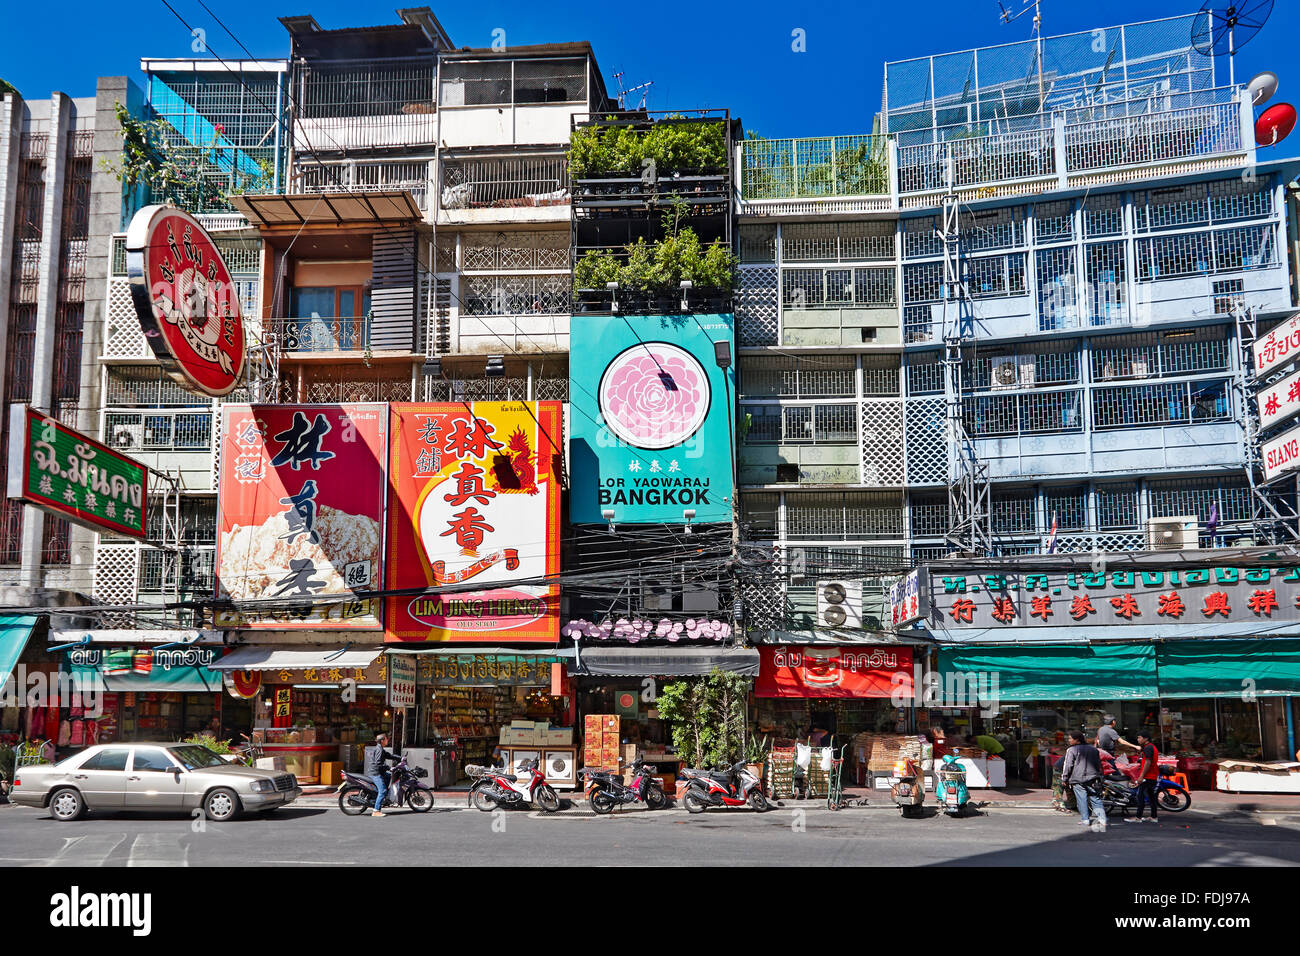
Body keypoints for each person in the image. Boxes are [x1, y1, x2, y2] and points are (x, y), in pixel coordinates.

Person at [1058, 730, 1107, 832]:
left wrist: (1064, 778)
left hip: (1078, 778)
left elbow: (1068, 765)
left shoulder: (1072, 750)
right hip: (1093, 778)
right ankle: (1102, 819)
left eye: (1070, 738)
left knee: (1081, 799)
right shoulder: (1093, 749)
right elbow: (1098, 764)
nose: (1069, 740)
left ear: (1076, 740)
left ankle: (1085, 819)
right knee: (1095, 798)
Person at [364, 732, 401, 818]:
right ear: (382, 740)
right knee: (383, 790)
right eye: (387, 739)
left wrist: (400, 758)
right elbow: (378, 763)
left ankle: (381, 797)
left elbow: (389, 755)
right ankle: (376, 811)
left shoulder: (380, 748)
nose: (388, 740)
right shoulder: (379, 749)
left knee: (388, 776)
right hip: (376, 773)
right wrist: (389, 768)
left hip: (378, 772)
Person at [1130, 730, 1160, 824]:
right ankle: (1154, 817)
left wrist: (1141, 776)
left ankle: (1138, 817)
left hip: (1148, 776)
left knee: (1140, 796)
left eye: (1139, 737)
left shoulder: (1148, 748)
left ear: (1145, 738)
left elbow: (1148, 762)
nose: (1138, 739)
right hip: (1152, 775)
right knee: (1151, 797)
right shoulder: (1150, 747)